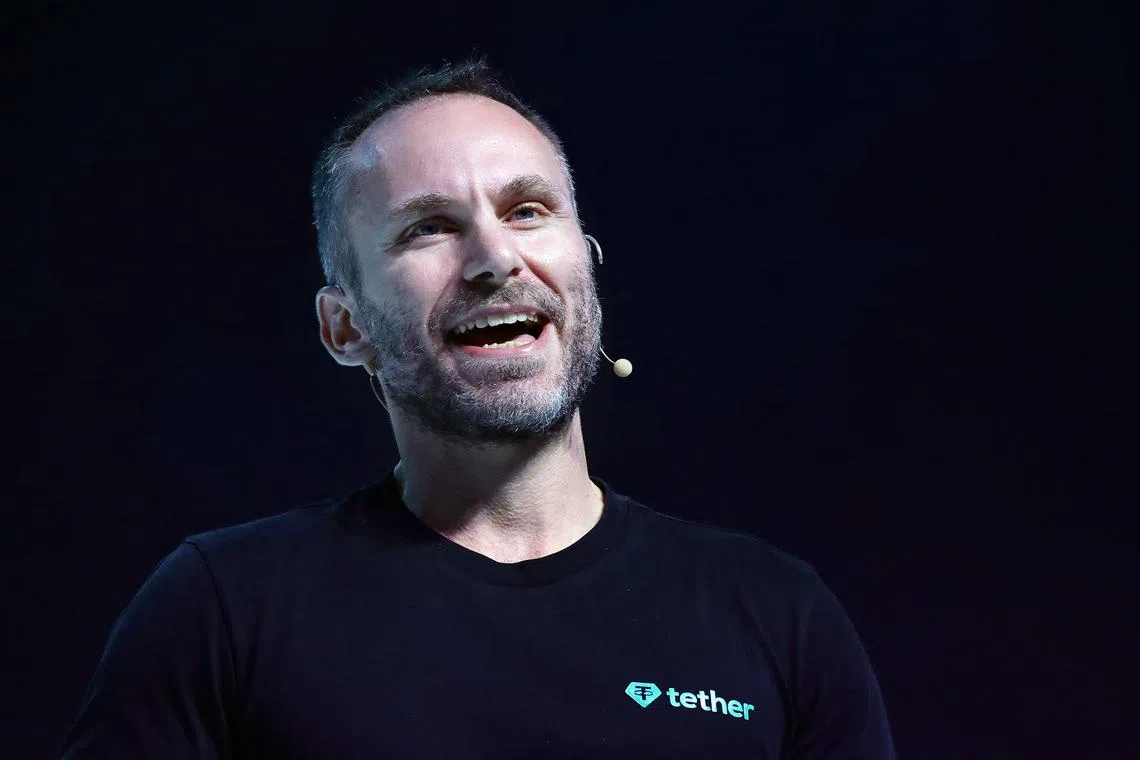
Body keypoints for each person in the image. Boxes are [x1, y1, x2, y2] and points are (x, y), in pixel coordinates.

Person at [61, 59, 896, 758]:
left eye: (528, 210)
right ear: (344, 325)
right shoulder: (220, 610)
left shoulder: (776, 613)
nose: (496, 257)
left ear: (587, 267)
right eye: (428, 228)